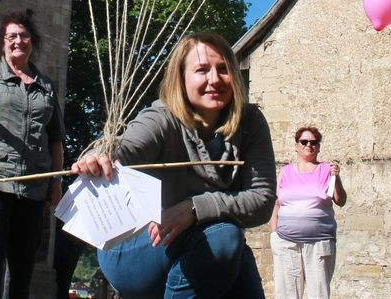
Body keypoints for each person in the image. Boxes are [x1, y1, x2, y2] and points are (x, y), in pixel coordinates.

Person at [72, 32, 276, 299]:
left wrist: (194, 208)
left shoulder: (250, 122)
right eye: (202, 70)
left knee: (230, 247)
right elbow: (128, 147)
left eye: (223, 69)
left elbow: (261, 200)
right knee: (225, 238)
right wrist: (101, 155)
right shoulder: (162, 117)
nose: (214, 79)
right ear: (181, 78)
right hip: (137, 245)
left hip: (211, 240)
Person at [0, 11, 64, 299]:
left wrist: (55, 181)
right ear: (3, 43)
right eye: (12, 36)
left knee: (23, 259)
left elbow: (55, 138)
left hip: (33, 182)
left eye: (24, 35)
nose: (19, 41)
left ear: (32, 41)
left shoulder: (46, 85)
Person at [268, 126, 347, 299]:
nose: (308, 145)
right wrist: (274, 233)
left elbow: (340, 201)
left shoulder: (328, 170)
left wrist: (337, 178)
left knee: (318, 294)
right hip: (286, 242)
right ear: (296, 146)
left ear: (318, 147)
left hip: (318, 243)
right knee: (287, 294)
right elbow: (275, 203)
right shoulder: (286, 171)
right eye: (304, 141)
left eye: (313, 142)